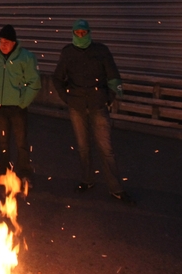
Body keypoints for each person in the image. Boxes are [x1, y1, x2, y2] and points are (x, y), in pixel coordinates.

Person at [52, 19, 136, 205]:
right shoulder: (68, 52)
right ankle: (87, 179)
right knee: (83, 146)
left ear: (89, 33)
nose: (81, 36)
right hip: (77, 106)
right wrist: (67, 98)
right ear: (73, 33)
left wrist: (108, 97)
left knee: (106, 148)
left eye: (84, 32)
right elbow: (57, 78)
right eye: (77, 33)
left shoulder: (101, 51)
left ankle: (116, 188)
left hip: (98, 105)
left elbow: (113, 76)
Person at [0, 24, 41, 185]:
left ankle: (24, 174)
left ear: (14, 43)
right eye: (1, 41)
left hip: (17, 107)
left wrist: (23, 102)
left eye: (6, 42)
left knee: (21, 143)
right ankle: (2, 172)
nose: (3, 45)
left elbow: (34, 82)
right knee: (2, 142)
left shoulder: (26, 57)